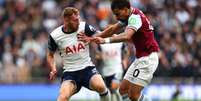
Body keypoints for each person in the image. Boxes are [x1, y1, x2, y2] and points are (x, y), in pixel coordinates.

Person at [78, 0, 160, 101]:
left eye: (118, 14)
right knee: (123, 90)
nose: (116, 17)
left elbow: (127, 36)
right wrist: (92, 38)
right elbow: (113, 29)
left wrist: (105, 40)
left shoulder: (135, 18)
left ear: (126, 9)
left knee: (134, 95)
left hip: (147, 59)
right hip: (140, 58)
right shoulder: (129, 16)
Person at [46, 7, 111, 101]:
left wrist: (113, 35)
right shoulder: (55, 35)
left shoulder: (84, 27)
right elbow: (50, 55)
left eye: (78, 19)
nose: (78, 22)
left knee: (101, 86)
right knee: (62, 98)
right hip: (70, 73)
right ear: (66, 20)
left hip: (87, 69)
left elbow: (100, 35)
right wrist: (53, 68)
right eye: (75, 20)